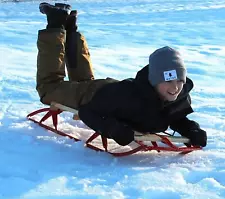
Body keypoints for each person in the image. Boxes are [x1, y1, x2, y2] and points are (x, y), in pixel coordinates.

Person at [36, 2, 207, 147]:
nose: (175, 87)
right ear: (153, 80)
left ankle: (70, 29)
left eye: (180, 80)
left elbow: (173, 117)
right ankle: (55, 25)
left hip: (108, 92)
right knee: (49, 87)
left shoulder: (178, 97)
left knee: (83, 81)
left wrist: (191, 129)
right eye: (168, 81)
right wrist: (114, 130)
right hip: (93, 97)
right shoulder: (127, 98)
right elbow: (88, 112)